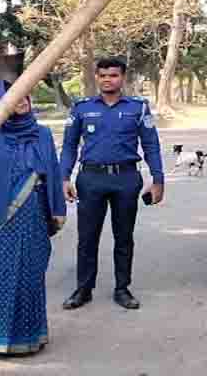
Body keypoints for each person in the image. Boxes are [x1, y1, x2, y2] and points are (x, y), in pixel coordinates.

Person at [0, 81, 66, 355]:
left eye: (25, 95)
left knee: (30, 277)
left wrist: (58, 210)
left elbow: (53, 172)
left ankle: (30, 337)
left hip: (35, 216)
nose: (22, 100)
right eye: (13, 97)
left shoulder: (42, 134)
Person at [60, 57, 164, 311]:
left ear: (123, 78)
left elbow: (151, 144)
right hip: (91, 179)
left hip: (126, 179)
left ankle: (122, 289)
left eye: (114, 75)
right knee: (87, 238)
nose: (108, 80)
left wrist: (158, 179)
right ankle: (83, 289)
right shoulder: (81, 108)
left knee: (124, 237)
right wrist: (64, 177)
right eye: (103, 75)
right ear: (97, 77)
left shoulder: (137, 108)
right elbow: (69, 146)